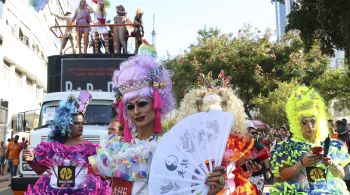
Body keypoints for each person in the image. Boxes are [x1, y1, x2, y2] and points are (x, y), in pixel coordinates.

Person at [91, 56, 225, 195]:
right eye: (130, 107)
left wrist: (208, 190)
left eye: (142, 103)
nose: (136, 111)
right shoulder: (116, 148)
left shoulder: (173, 147)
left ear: (157, 102)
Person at [173, 70, 261, 194]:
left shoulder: (234, 141)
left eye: (219, 116)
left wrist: (248, 170)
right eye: (209, 116)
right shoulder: (192, 144)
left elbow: (237, 172)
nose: (214, 121)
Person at [23, 91, 110, 194]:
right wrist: (32, 160)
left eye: (82, 123)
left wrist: (107, 168)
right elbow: (40, 170)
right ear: (66, 124)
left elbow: (98, 171)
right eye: (76, 123)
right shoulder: (53, 148)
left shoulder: (88, 149)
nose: (81, 126)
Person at [270, 86, 350, 194]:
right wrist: (301, 163)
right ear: (297, 123)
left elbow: (341, 174)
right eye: (304, 122)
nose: (310, 126)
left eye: (313, 121)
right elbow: (282, 176)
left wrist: (331, 163)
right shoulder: (287, 146)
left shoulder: (330, 144)